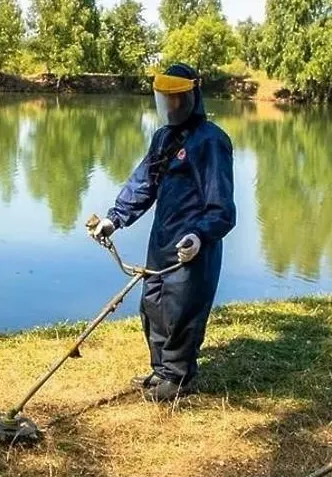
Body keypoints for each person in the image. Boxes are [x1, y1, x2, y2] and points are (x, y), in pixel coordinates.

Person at [89, 63, 236, 402]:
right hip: (162, 240)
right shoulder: (164, 138)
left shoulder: (211, 141)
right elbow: (144, 183)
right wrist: (115, 218)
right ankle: (161, 370)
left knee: (182, 309)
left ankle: (180, 377)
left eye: (175, 100)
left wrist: (200, 236)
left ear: (191, 97)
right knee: (152, 304)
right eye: (163, 100)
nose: (169, 107)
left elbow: (222, 208)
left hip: (192, 246)